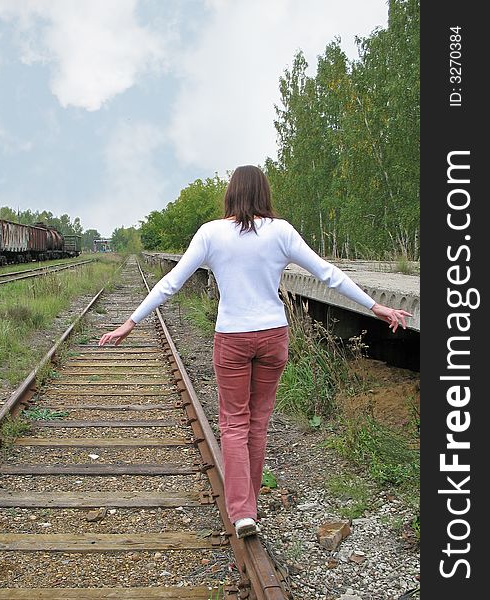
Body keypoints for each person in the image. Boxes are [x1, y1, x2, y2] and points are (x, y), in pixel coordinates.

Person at [98, 165, 412, 539]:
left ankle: (242, 512)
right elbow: (328, 273)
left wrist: (130, 322)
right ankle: (251, 504)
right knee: (257, 422)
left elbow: (171, 283)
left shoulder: (211, 233)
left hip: (232, 338)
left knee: (233, 422)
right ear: (265, 194)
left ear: (230, 194)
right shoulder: (280, 232)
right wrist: (374, 306)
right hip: (272, 336)